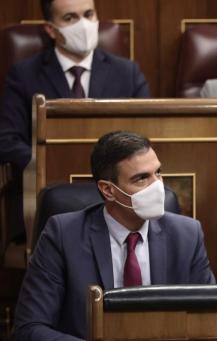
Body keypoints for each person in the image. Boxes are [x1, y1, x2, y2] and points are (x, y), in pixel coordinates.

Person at [12, 131, 215, 341]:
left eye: (158, 173)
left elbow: (209, 319)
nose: (157, 186)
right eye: (141, 178)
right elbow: (29, 330)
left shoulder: (187, 234)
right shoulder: (62, 234)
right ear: (108, 190)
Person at [0, 0, 150, 243]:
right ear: (51, 29)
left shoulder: (127, 72)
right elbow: (7, 140)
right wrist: (51, 164)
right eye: (70, 18)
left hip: (120, 196)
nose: (83, 24)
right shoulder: (24, 74)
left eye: (88, 14)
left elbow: (146, 135)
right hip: (48, 196)